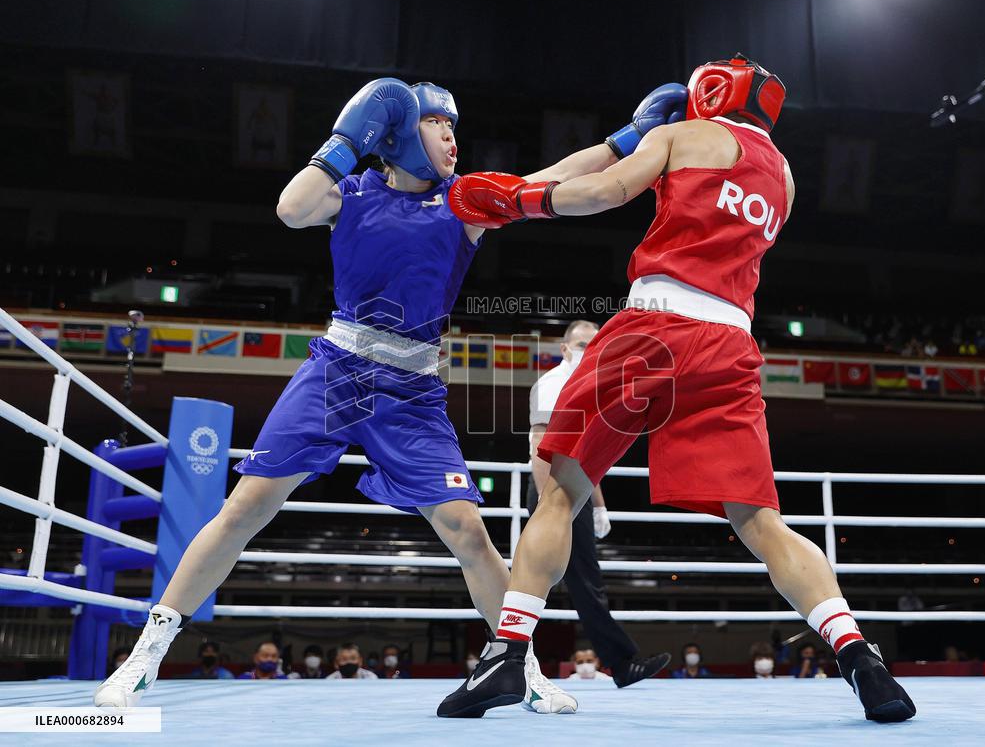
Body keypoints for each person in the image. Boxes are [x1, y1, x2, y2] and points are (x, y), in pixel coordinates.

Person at [95, 75, 639, 715]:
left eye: (454, 127)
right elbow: (291, 209)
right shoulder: (350, 192)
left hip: (412, 391)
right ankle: (147, 654)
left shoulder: (464, 201)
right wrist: (346, 139)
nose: (451, 138)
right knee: (246, 508)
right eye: (438, 124)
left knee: (467, 528)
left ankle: (518, 668)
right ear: (400, 133)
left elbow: (558, 175)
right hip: (337, 370)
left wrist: (627, 139)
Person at [441, 54, 916, 723]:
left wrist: (520, 200)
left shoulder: (683, 137)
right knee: (759, 520)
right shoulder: (784, 176)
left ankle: (505, 654)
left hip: (655, 327)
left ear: (710, 91)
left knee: (559, 489)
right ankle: (859, 654)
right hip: (731, 345)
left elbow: (603, 190)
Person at [528, 320, 671, 687]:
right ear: (564, 349)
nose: (588, 349)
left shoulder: (591, 387)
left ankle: (619, 663)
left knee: (570, 580)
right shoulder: (552, 384)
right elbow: (541, 448)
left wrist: (599, 504)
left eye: (595, 344)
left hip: (573, 493)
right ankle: (619, 663)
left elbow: (588, 457)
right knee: (541, 579)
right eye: (580, 343)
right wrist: (550, 508)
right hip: (552, 494)